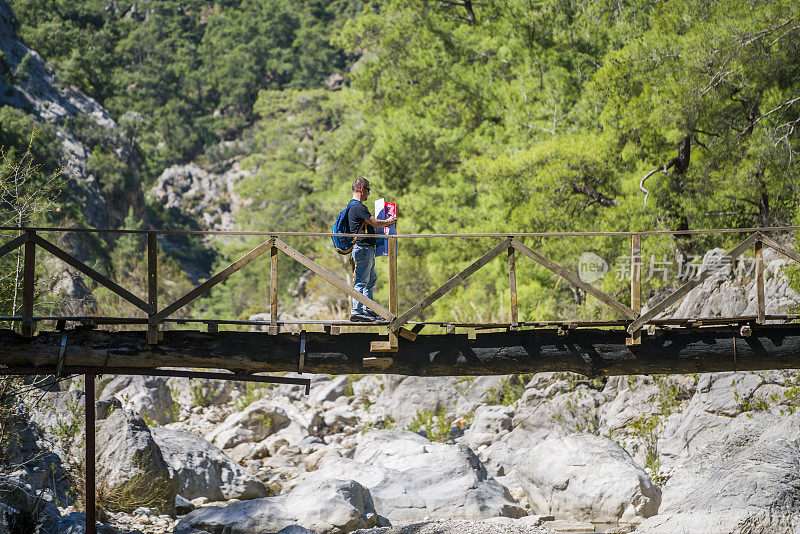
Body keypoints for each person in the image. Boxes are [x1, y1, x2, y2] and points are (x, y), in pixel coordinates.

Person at [348, 176, 396, 322]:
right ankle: (356, 312)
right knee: (361, 281)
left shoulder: (353, 206)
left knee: (370, 281)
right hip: (363, 248)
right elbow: (374, 222)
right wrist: (388, 222)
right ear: (362, 189)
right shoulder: (358, 207)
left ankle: (369, 310)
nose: (369, 193)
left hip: (366, 248)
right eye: (368, 190)